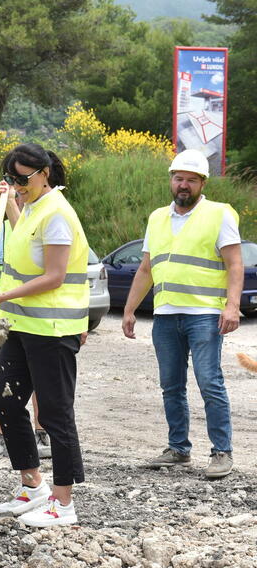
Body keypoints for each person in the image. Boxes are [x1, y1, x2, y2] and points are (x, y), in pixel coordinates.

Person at [0, 142, 89, 528]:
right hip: (20, 326)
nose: (17, 184)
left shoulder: (58, 213)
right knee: (6, 403)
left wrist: (2, 295)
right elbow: (22, 247)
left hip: (52, 329)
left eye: (23, 178)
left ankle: (64, 504)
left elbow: (55, 275)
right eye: (11, 178)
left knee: (56, 414)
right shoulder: (30, 209)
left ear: (44, 173)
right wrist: (13, 204)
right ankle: (33, 486)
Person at [123, 149, 242, 479]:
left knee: (209, 382)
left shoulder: (219, 215)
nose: (184, 185)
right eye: (179, 179)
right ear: (171, 181)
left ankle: (222, 452)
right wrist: (130, 309)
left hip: (204, 313)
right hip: (165, 315)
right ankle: (178, 449)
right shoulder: (157, 218)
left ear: (202, 183)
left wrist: (232, 306)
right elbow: (146, 268)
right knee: (171, 386)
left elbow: (235, 263)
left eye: (191, 180)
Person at [0, 191, 52, 460]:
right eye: (13, 198)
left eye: (20, 197)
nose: (17, 202)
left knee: (39, 379)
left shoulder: (42, 226)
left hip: (35, 318)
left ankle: (41, 432)